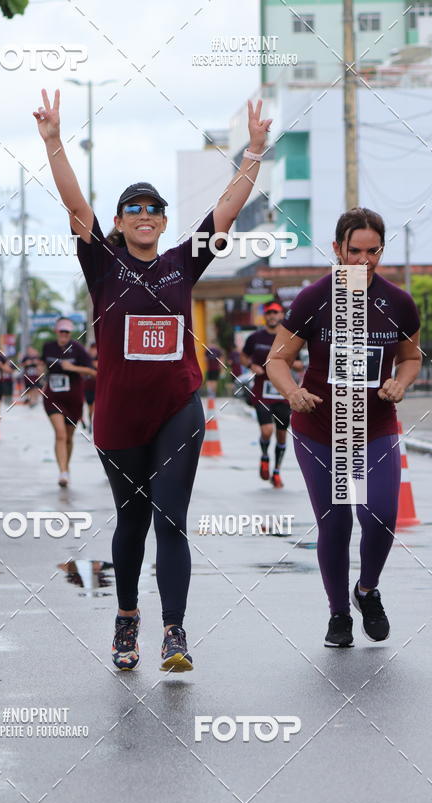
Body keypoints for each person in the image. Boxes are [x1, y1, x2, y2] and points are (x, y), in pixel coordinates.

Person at [34, 87, 271, 672]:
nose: (145, 215)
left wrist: (254, 155)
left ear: (164, 222)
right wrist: (55, 142)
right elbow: (74, 204)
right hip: (117, 418)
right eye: (134, 209)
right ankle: (126, 619)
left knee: (170, 519)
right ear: (119, 222)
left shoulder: (182, 262)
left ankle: (174, 634)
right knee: (132, 523)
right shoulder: (103, 265)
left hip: (177, 410)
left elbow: (227, 210)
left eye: (154, 209)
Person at [266, 208, 421, 648]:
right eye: (355, 251)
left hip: (375, 426)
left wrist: (401, 381)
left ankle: (366, 590)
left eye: (373, 252)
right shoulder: (315, 298)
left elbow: (411, 358)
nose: (364, 261)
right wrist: (292, 391)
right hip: (318, 427)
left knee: (382, 517)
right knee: (336, 524)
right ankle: (338, 615)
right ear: (337, 250)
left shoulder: (399, 302)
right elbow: (276, 359)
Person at [240, 301, 303, 488]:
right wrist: (251, 366)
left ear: (282, 315)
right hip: (262, 391)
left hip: (283, 391)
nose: (272, 316)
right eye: (268, 313)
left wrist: (297, 365)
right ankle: (265, 457)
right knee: (267, 431)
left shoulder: (290, 339)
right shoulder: (255, 338)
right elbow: (243, 356)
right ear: (265, 316)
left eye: (275, 313)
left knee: (282, 435)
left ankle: (277, 471)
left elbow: (298, 362)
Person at [39, 318, 97, 487]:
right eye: (61, 331)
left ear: (70, 334)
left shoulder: (77, 349)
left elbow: (93, 372)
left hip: (73, 399)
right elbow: (43, 365)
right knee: (60, 434)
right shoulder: (48, 347)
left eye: (67, 332)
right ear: (56, 332)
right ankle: (62, 472)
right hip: (53, 397)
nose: (63, 335)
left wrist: (73, 368)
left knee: (69, 437)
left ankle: (66, 467)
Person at [83, 342, 98, 432]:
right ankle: (90, 423)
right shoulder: (86, 359)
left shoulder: (100, 358)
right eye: (92, 349)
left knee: (97, 407)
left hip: (98, 387)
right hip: (88, 387)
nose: (93, 351)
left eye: (95, 349)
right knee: (90, 408)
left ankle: (95, 424)